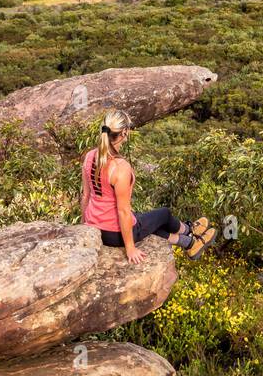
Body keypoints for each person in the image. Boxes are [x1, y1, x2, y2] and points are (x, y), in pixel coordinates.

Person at [81, 107, 216, 265]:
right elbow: (123, 211)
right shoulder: (120, 168)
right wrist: (130, 248)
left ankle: (190, 243)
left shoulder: (90, 156)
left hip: (96, 228)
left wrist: (86, 227)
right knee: (164, 214)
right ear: (124, 133)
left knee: (147, 222)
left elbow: (85, 196)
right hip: (114, 234)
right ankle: (190, 230)